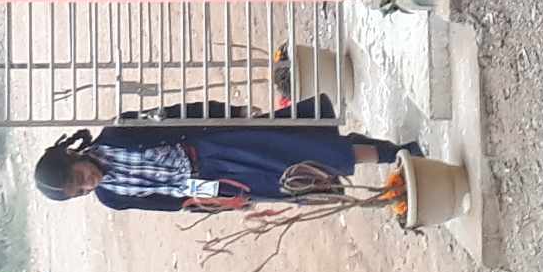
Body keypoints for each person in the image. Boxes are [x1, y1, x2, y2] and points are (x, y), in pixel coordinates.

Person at [31, 103, 415, 214]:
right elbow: (172, 203)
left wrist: (229, 113)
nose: (87, 185)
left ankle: (396, 154)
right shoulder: (112, 197)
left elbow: (177, 115)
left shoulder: (117, 134)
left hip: (214, 147)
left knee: (308, 153)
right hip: (212, 183)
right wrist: (221, 203)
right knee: (300, 179)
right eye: (80, 191)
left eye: (79, 177)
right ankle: (383, 156)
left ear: (72, 154)